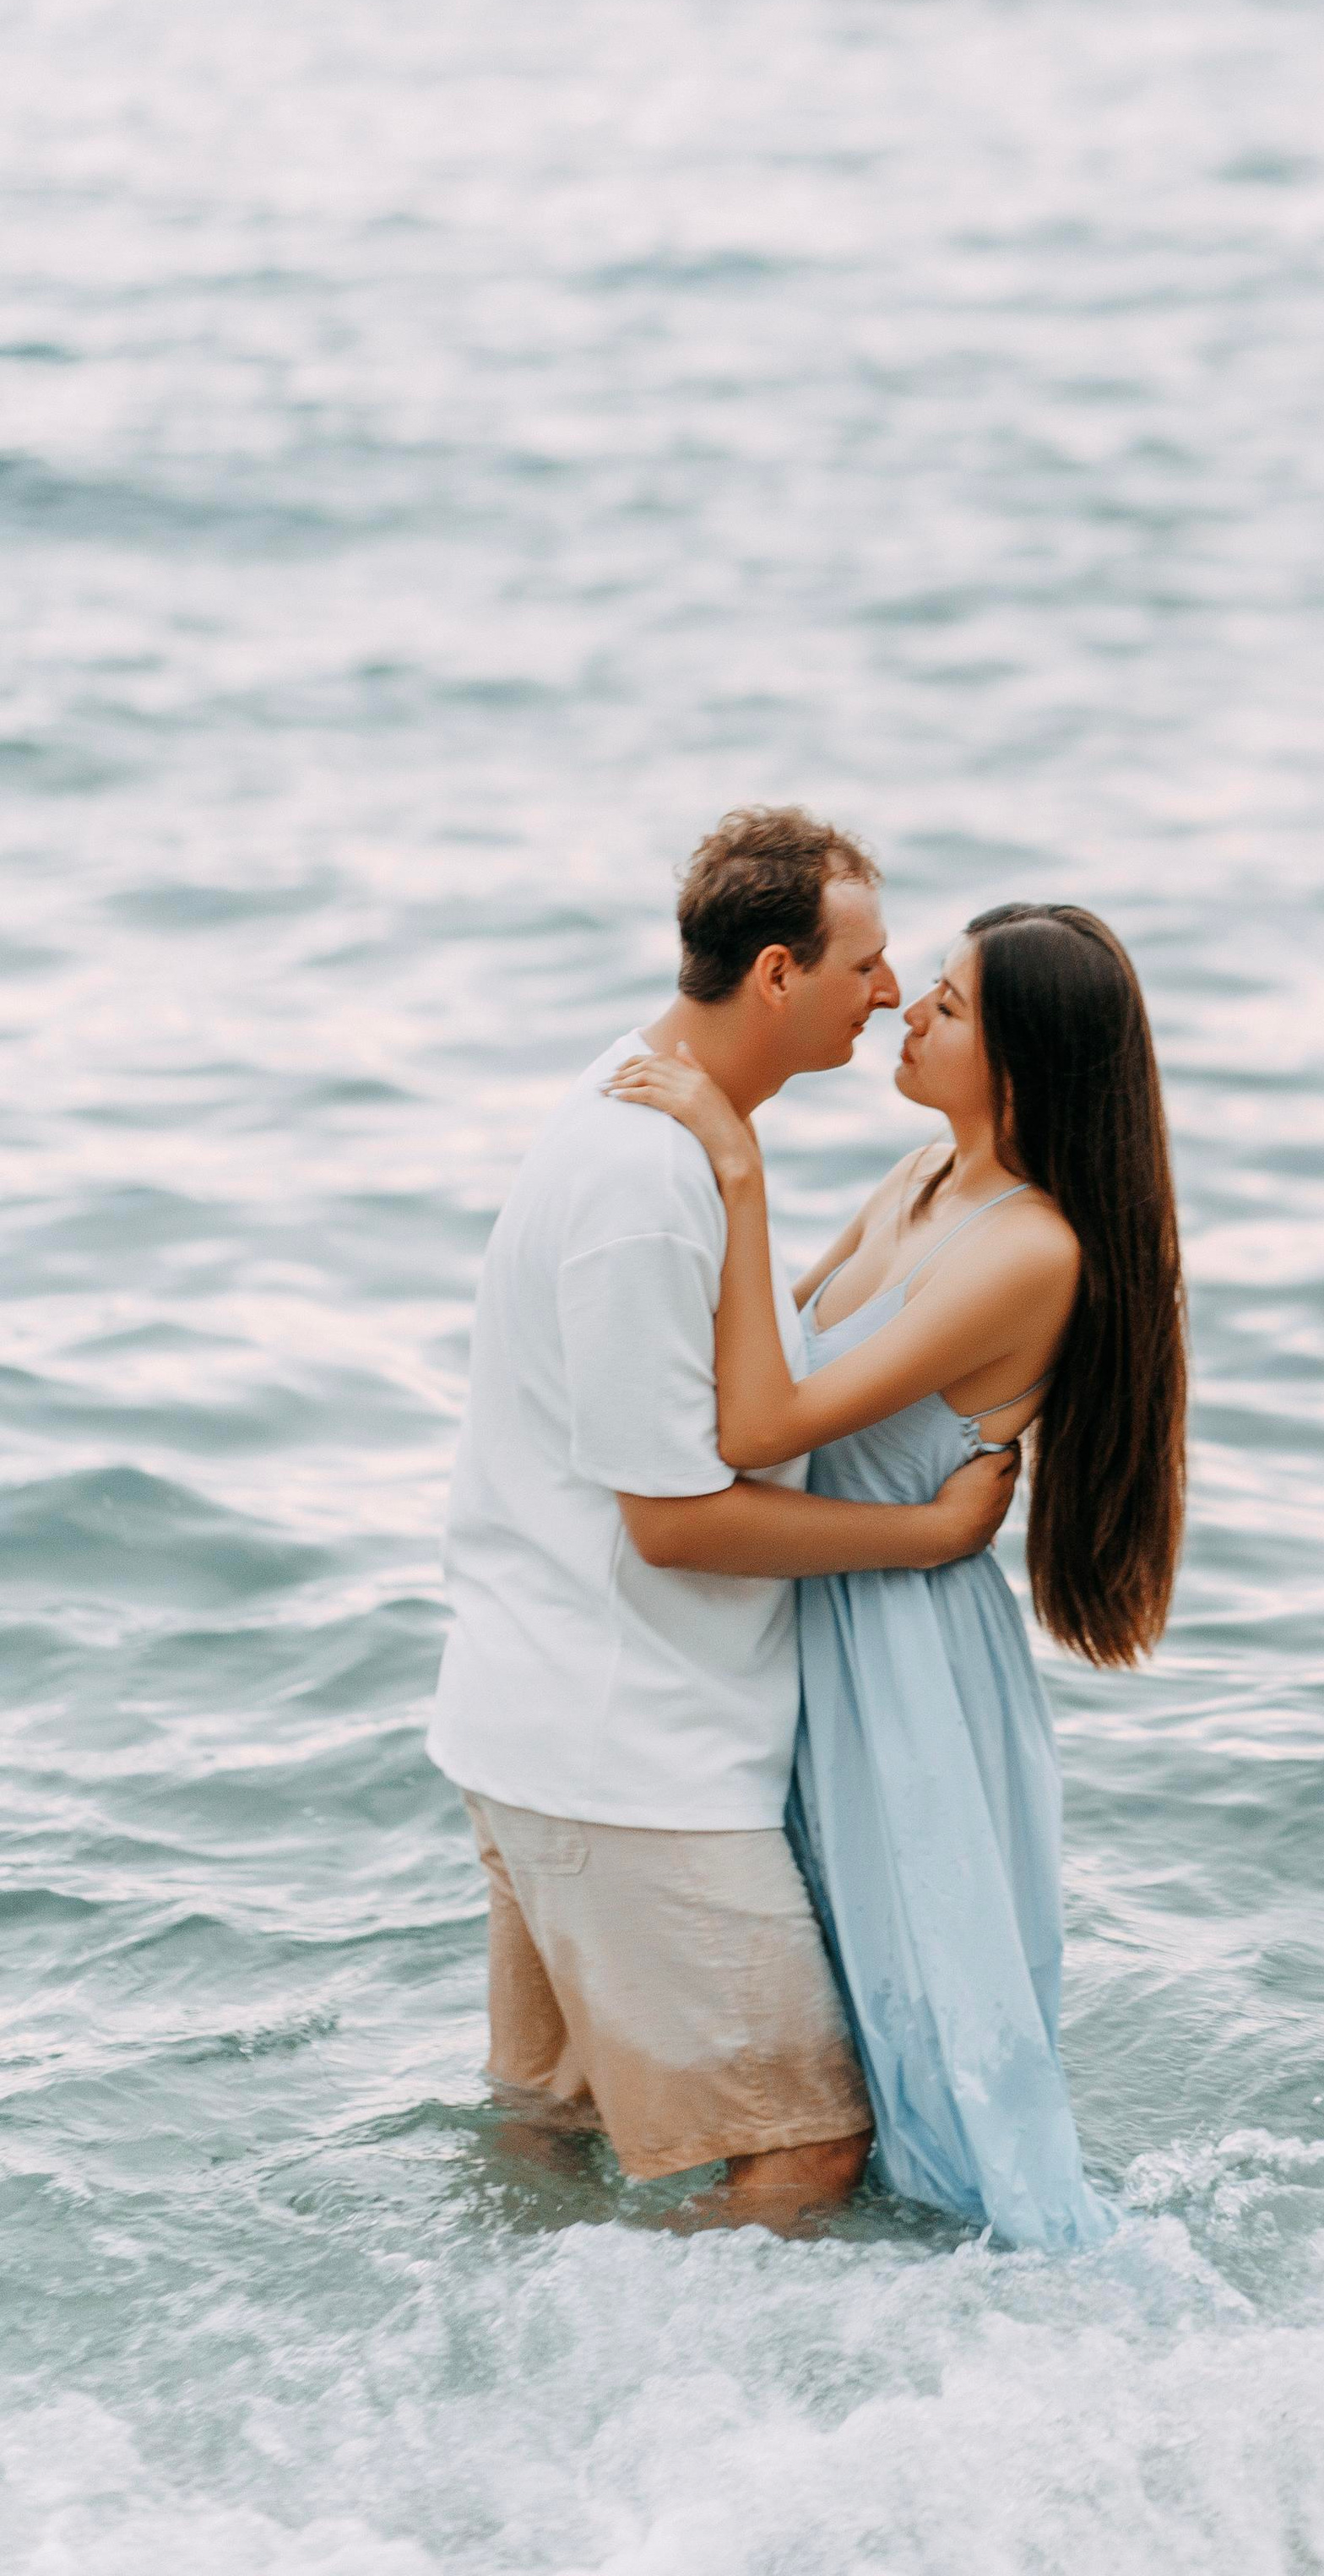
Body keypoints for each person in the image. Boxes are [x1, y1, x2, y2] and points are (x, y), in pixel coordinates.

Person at [425, 808, 1018, 2231]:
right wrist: (929, 1536)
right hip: (626, 1761)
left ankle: (508, 2364)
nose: (889, 992)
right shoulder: (653, 1175)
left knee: (553, 2136)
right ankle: (664, 2391)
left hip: (552, 1726)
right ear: (776, 974)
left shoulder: (644, 1105)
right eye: (866, 964)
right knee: (804, 2152)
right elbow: (677, 1522)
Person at [608, 899, 1186, 2252]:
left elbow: (761, 1425)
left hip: (907, 1661)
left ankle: (969, 2323)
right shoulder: (923, 1178)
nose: (907, 1012)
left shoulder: (1030, 1249)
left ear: (1022, 1065)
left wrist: (734, 1162)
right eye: (926, 985)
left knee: (928, 2059)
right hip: (825, 1617)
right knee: (825, 2030)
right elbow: (750, 1351)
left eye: (951, 1004)